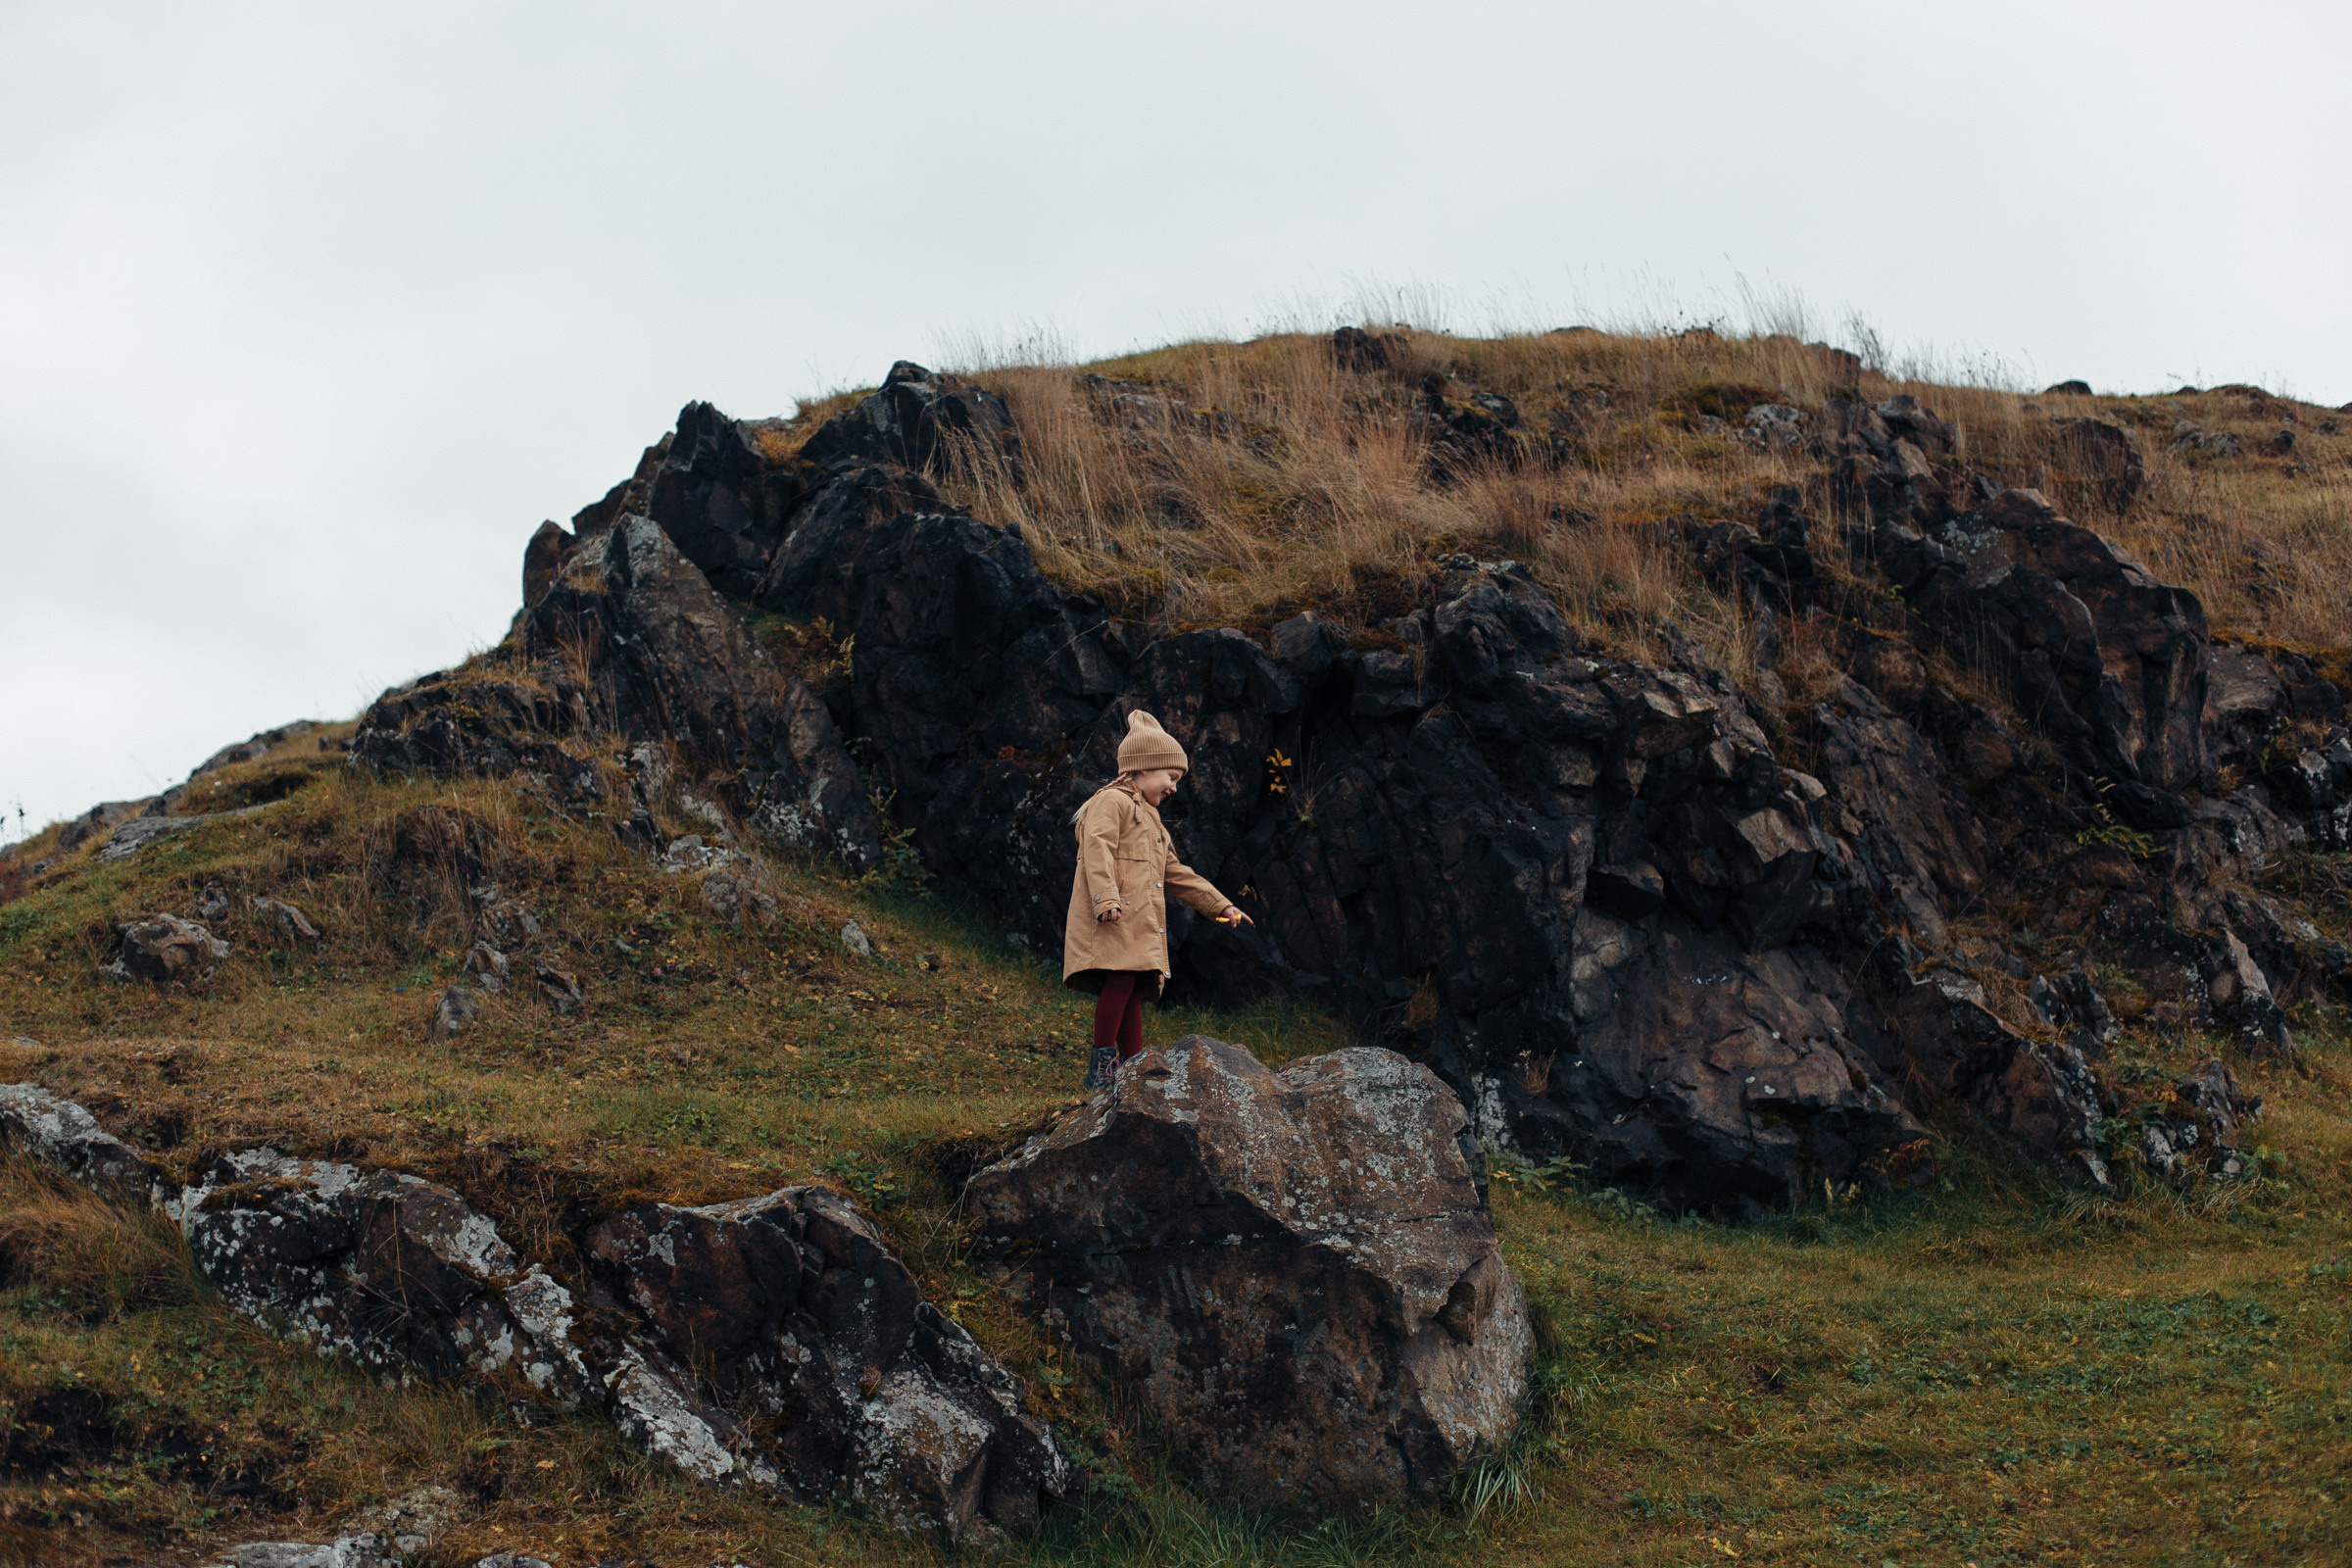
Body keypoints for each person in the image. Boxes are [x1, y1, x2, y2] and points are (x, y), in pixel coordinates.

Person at [1063, 710, 1252, 1090]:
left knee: (1133, 986)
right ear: (1145, 768)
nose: (1174, 788)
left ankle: (1132, 1065)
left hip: (1133, 923)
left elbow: (1176, 873)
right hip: (1112, 917)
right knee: (1120, 981)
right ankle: (1101, 1064)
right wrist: (1105, 900)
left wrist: (1221, 905)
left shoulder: (1153, 822)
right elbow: (1096, 850)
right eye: (1172, 777)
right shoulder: (1111, 802)